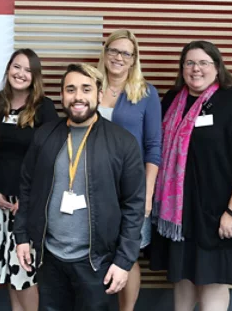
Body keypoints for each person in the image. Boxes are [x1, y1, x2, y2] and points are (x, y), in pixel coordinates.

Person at [150, 41, 232, 311]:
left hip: (218, 213)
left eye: (204, 62)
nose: (196, 69)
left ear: (217, 67)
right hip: (179, 215)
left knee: (213, 282)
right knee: (182, 278)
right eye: (190, 63)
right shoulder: (171, 100)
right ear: (182, 69)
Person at [14, 63, 146, 311]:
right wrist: (21, 237)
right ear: (62, 95)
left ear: (98, 94)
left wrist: (124, 261)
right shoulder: (44, 136)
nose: (78, 97)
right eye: (70, 89)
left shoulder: (122, 143)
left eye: (86, 89)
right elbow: (27, 188)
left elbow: (134, 206)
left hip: (97, 262)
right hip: (49, 258)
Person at [0, 49, 58, 311]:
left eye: (28, 70)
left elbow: (51, 158)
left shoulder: (44, 108)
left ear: (35, 76)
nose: (21, 74)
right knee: (7, 268)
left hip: (26, 204)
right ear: (8, 69)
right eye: (17, 67)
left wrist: (28, 202)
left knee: (24, 271)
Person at [96, 29, 161, 311]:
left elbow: (153, 146)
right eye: (114, 50)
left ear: (134, 59)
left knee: (128, 254)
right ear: (105, 52)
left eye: (126, 53)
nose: (119, 57)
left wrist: (147, 193)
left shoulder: (145, 93)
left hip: (131, 188)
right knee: (93, 251)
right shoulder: (90, 85)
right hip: (92, 186)